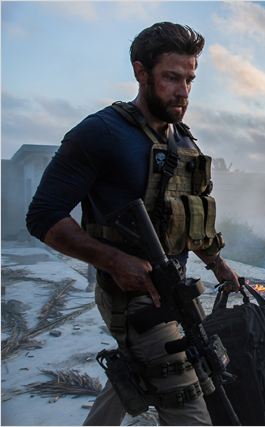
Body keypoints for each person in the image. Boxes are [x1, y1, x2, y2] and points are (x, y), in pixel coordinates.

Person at [26, 22, 240, 426]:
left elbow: (192, 218)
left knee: (149, 372)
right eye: (171, 78)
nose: (183, 91)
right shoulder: (100, 133)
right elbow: (43, 215)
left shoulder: (185, 142)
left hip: (174, 289)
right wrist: (114, 261)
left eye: (190, 80)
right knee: (187, 399)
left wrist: (218, 265)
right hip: (130, 299)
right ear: (141, 72)